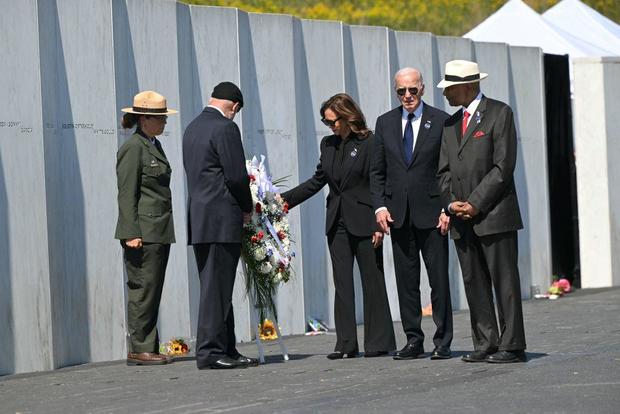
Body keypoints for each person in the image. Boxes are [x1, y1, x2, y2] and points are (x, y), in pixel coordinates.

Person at [282, 93, 396, 359]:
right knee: (342, 283)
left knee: (372, 281)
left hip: (366, 221)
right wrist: (282, 201)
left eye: (333, 121)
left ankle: (378, 342)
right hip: (337, 223)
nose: (330, 126)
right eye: (326, 121)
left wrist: (378, 224)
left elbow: (378, 182)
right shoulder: (328, 145)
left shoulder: (370, 142)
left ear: (347, 117)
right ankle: (346, 344)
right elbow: (318, 180)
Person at [436, 60, 527, 363]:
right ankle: (486, 342)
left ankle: (512, 345)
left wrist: (475, 202)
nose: (446, 93)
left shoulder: (499, 113)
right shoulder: (450, 124)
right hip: (462, 219)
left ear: (470, 86)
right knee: (473, 281)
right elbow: (443, 171)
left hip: (494, 215)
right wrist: (451, 203)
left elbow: (503, 167)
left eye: (450, 87)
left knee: (504, 282)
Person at [370, 68, 453, 361]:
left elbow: (449, 170)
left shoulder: (442, 121)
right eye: (401, 91)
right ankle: (413, 340)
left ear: (423, 88)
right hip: (398, 215)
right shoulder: (385, 123)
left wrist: (448, 208)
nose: (407, 96)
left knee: (438, 280)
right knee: (406, 281)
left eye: (412, 90)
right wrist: (379, 206)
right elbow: (377, 171)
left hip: (432, 214)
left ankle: (442, 341)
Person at [183, 81, 258, 369]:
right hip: (222, 219)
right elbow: (236, 176)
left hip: (201, 220)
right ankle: (210, 352)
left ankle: (227, 347)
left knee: (215, 286)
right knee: (217, 289)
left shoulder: (193, 127)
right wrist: (246, 207)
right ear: (234, 106)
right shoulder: (225, 128)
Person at [115, 90, 178, 365]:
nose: (164, 122)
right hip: (143, 231)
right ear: (143, 119)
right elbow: (126, 193)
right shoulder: (133, 148)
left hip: (158, 229)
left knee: (152, 288)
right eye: (160, 118)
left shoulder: (152, 144)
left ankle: (147, 345)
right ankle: (140, 347)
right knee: (142, 288)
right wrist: (131, 232)